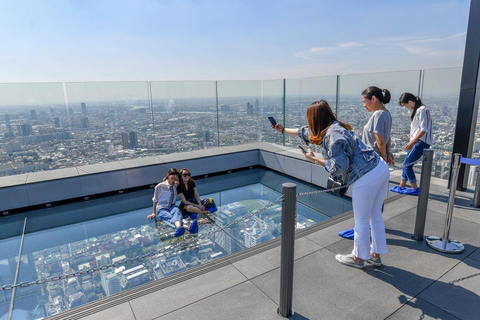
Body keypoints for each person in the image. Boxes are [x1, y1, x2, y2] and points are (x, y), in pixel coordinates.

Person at [272, 100, 389, 268]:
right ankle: (374, 255)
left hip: (366, 177)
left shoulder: (332, 136)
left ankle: (358, 258)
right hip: (379, 167)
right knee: (375, 216)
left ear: (314, 118)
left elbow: (339, 167)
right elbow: (304, 132)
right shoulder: (333, 125)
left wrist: (315, 160)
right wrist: (283, 130)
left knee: (362, 221)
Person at [390, 93, 433, 196]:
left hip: (421, 142)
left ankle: (414, 188)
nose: (406, 107)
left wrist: (412, 142)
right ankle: (402, 186)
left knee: (407, 165)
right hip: (418, 142)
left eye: (405, 105)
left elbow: (424, 129)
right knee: (406, 163)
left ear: (410, 102)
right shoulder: (418, 110)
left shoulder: (422, 110)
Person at [147, 168, 198, 237]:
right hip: (162, 208)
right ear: (168, 175)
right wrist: (154, 213)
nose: (175, 177)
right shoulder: (160, 186)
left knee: (177, 213)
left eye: (177, 176)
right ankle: (188, 228)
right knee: (169, 217)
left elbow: (185, 183)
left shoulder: (176, 185)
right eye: (173, 175)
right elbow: (155, 200)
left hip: (173, 206)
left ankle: (180, 228)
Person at [361, 86, 394, 165]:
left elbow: (380, 141)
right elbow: (387, 136)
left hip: (372, 158)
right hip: (378, 157)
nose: (364, 105)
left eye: (365, 102)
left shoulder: (378, 114)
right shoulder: (387, 113)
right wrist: (387, 153)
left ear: (373, 99)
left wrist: (384, 157)